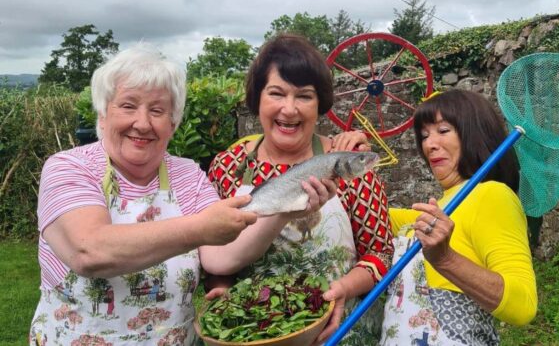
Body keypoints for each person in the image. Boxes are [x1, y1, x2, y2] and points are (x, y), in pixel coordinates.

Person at [29, 43, 336, 345]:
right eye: (128, 105)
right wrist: (200, 228)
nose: (142, 122)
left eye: (158, 110)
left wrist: (284, 210)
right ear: (102, 113)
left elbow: (221, 257)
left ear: (173, 124)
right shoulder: (68, 168)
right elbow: (89, 252)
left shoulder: (187, 175)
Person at [206, 34, 394, 345]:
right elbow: (213, 246)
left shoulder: (348, 165)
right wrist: (222, 287)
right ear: (258, 99)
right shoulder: (228, 166)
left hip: (339, 329)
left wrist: (342, 291)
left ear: (319, 103)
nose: (289, 109)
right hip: (255, 330)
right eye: (276, 93)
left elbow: (381, 253)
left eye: (304, 96)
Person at [380, 90, 537, 346]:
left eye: (443, 131)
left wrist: (446, 260)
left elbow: (523, 306)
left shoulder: (491, 196)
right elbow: (371, 214)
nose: (429, 144)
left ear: (474, 132)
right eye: (424, 135)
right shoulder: (436, 210)